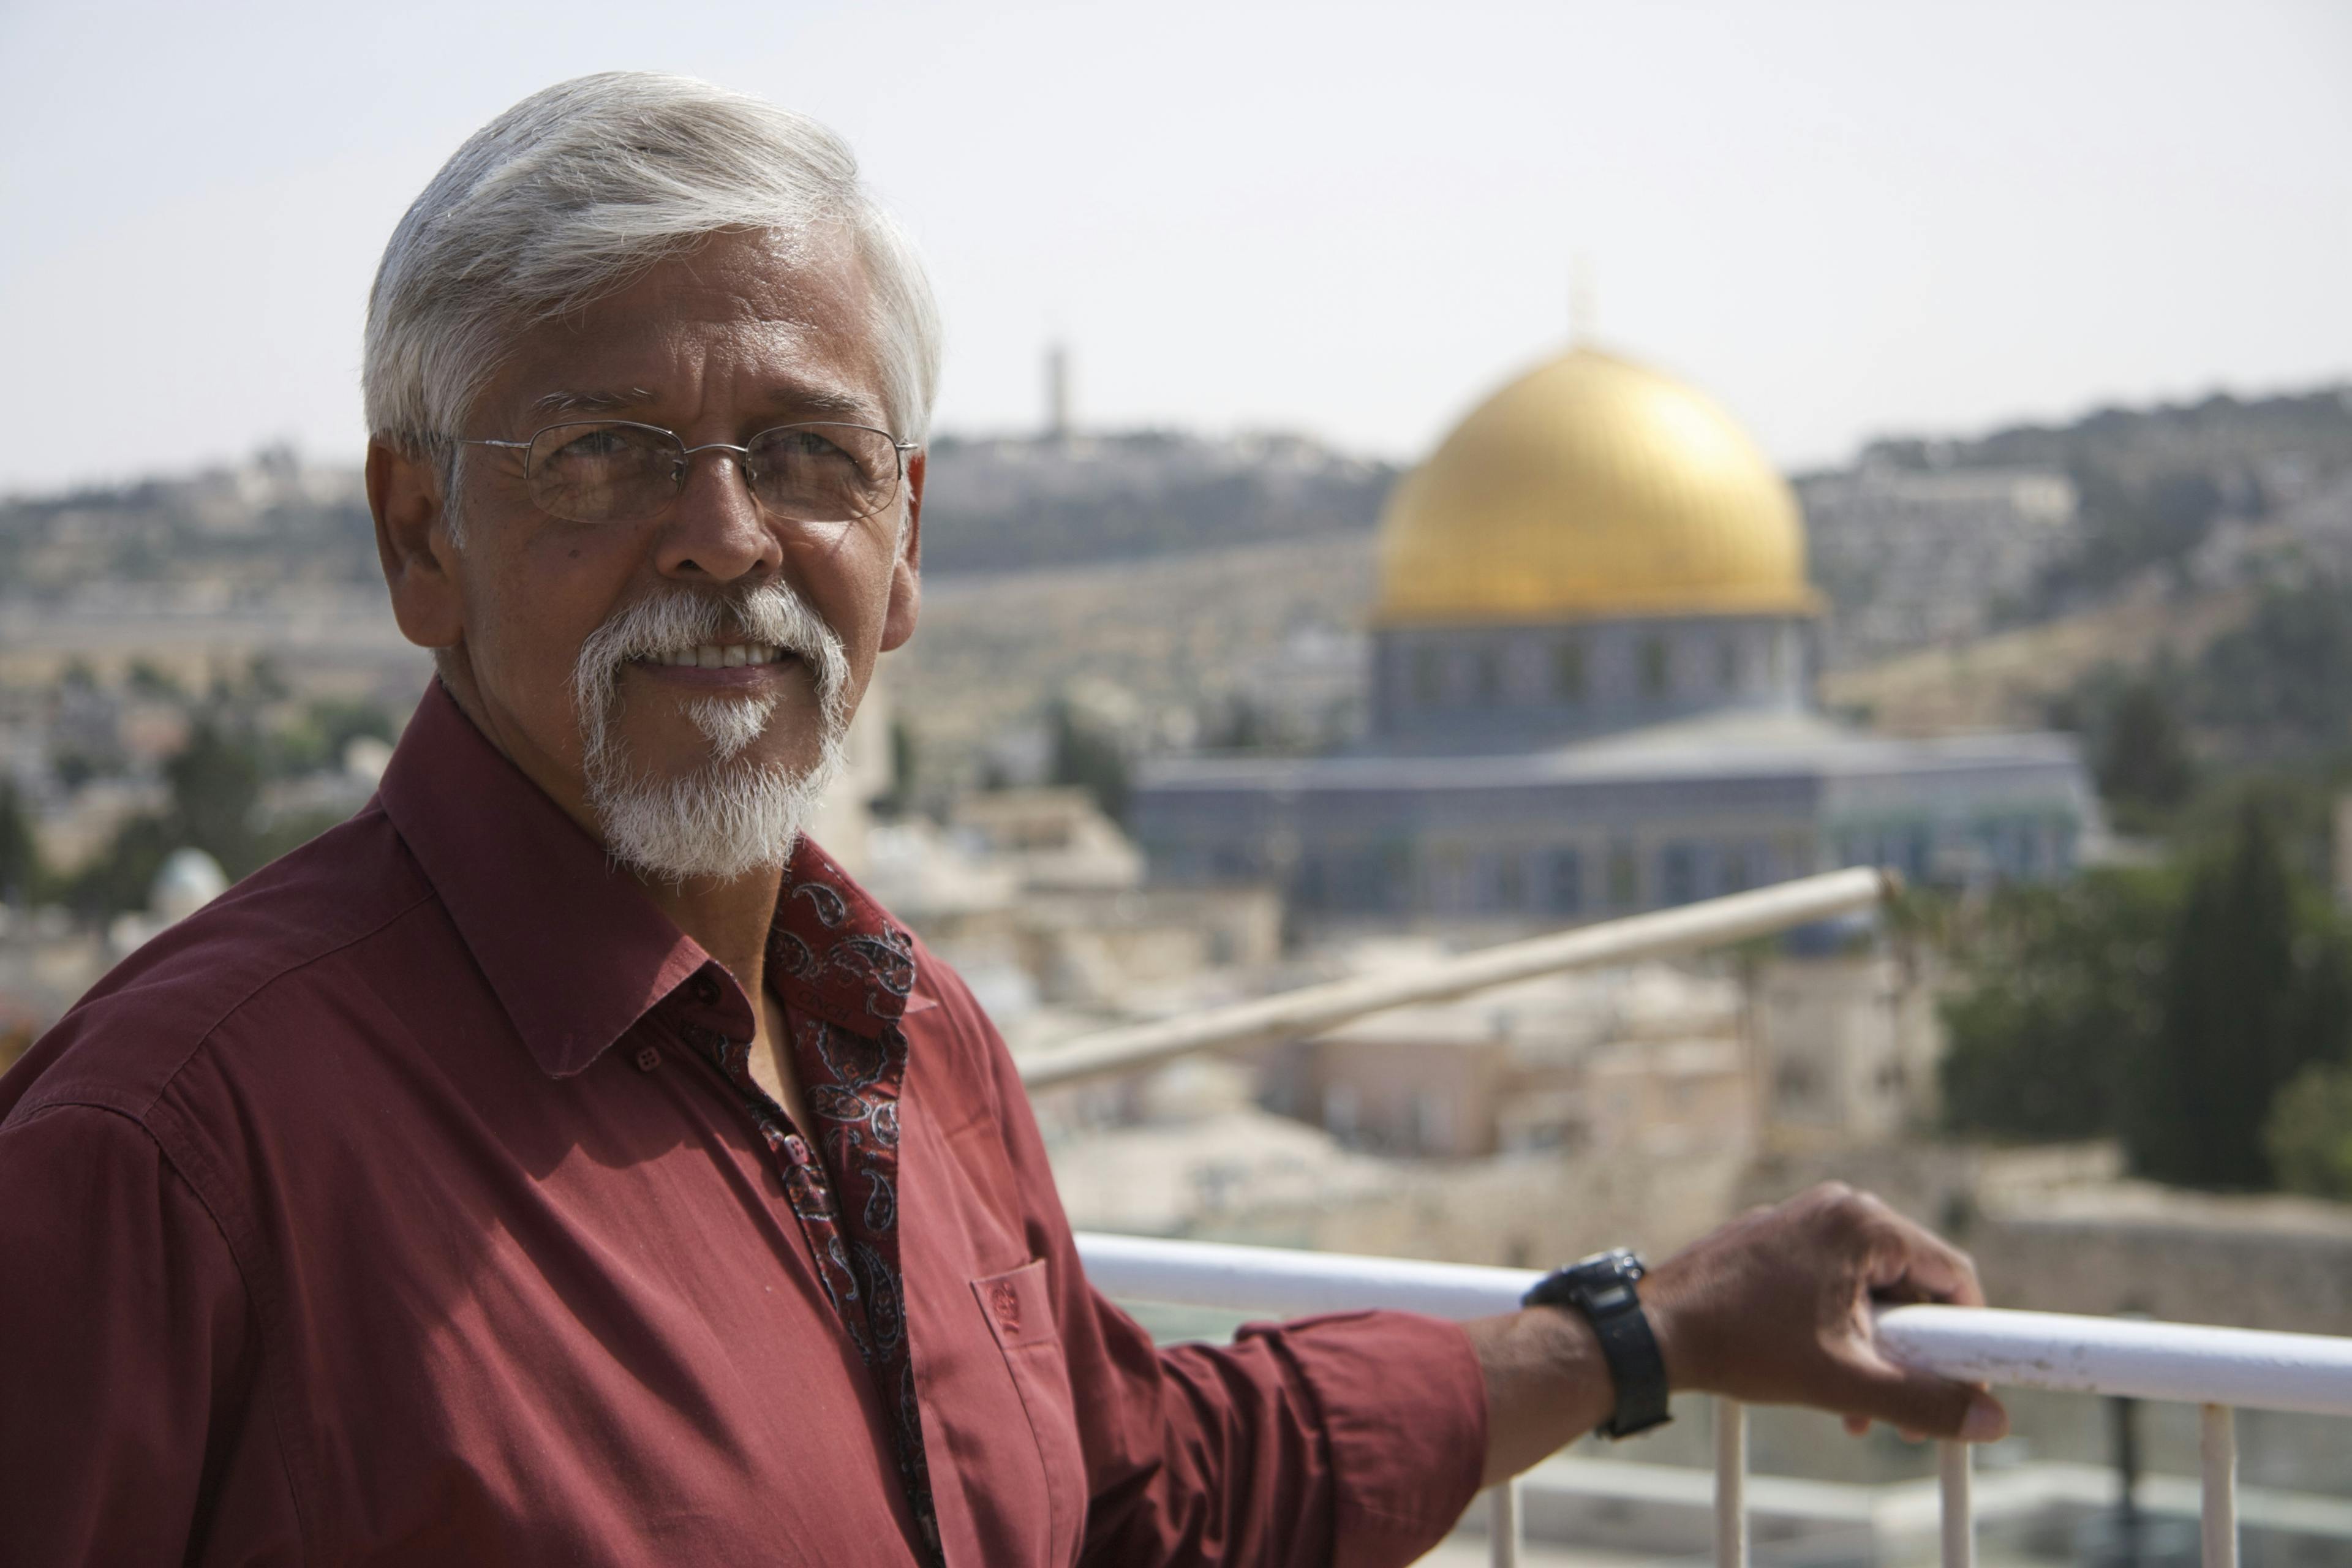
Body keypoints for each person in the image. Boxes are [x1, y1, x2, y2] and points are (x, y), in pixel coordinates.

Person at [0, 72, 2003, 1567]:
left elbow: (1147, 1487)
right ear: (420, 534)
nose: (726, 537)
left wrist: (1634, 1339)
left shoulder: (910, 1046)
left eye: (803, 451)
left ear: (905, 538)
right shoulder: (176, 1150)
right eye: (607, 452)